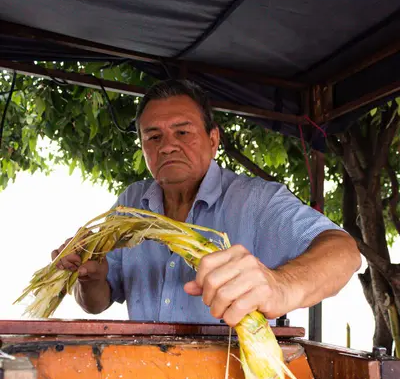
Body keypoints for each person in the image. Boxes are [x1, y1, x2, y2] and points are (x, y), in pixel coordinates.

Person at [52, 80, 361, 327]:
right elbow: (96, 302)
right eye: (153, 136)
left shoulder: (255, 200)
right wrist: (89, 279)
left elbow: (344, 252)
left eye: (183, 132)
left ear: (213, 140)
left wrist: (281, 285)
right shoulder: (131, 203)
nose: (168, 146)